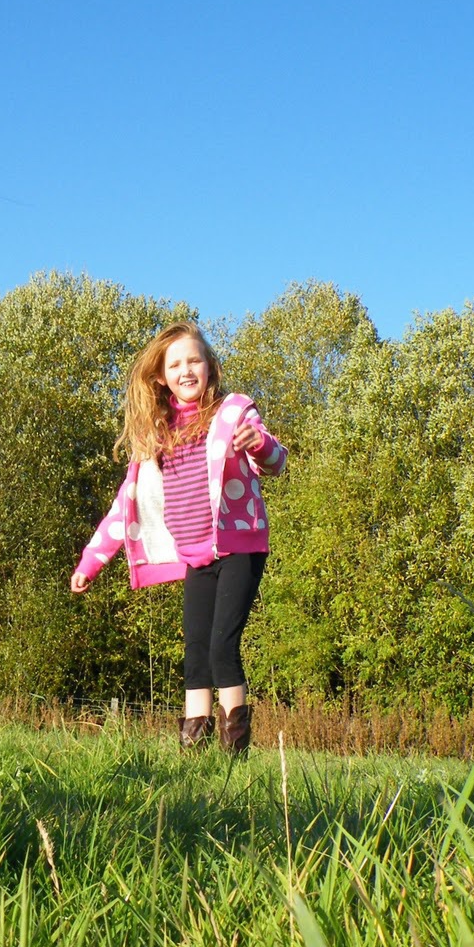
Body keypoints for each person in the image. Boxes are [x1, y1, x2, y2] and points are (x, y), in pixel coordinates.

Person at [70, 323, 287, 755]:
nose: (186, 370)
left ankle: (233, 750)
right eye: (175, 364)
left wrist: (258, 443)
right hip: (195, 556)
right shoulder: (157, 434)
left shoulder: (234, 412)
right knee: (194, 652)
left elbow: (275, 460)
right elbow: (124, 506)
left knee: (223, 645)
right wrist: (90, 562)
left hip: (239, 545)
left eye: (194, 360)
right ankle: (193, 747)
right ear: (160, 376)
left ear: (209, 367)